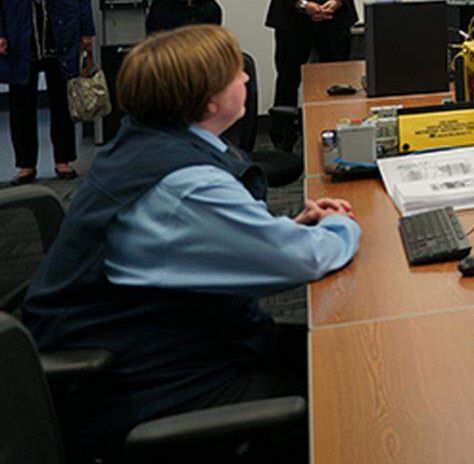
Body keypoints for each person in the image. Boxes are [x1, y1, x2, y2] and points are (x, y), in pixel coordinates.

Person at [20, 24, 361, 462]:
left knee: (328, 352)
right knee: (352, 388)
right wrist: (340, 224)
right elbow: (307, 259)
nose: (244, 78)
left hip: (144, 347)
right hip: (149, 387)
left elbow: (188, 241)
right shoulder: (187, 184)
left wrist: (280, 230)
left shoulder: (146, 145)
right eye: (236, 72)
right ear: (209, 101)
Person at [0, 0, 95, 184]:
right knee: (21, 102)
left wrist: (86, 30)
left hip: (60, 25)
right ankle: (25, 166)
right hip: (20, 27)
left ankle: (63, 160)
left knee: (61, 99)